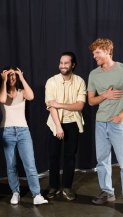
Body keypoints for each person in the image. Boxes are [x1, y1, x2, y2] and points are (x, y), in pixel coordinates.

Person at [87, 38, 123, 214]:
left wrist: (122, 115)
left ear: (107, 51)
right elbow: (90, 101)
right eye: (93, 53)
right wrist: (104, 95)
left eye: (97, 52)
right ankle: (107, 192)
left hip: (118, 124)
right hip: (100, 123)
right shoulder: (93, 74)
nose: (94, 56)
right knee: (102, 160)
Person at [0, 67, 48, 206]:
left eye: (13, 75)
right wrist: (4, 80)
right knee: (11, 165)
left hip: (23, 131)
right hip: (7, 131)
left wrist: (22, 77)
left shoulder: (22, 92)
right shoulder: (1, 91)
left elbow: (31, 96)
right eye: (9, 75)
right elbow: (2, 99)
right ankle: (15, 192)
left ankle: (36, 194)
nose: (12, 77)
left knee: (30, 164)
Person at [45, 52, 86, 201]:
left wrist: (59, 104)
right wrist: (58, 127)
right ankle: (54, 186)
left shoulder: (80, 81)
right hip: (55, 123)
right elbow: (51, 106)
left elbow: (80, 105)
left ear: (73, 65)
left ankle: (67, 187)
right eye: (61, 63)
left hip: (73, 123)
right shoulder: (51, 81)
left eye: (66, 63)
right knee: (53, 156)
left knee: (70, 157)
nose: (62, 65)